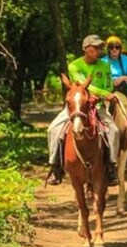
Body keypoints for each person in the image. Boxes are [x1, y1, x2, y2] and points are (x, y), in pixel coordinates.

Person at [46, 34, 120, 186]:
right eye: (96, 47)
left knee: (114, 130)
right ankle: (55, 167)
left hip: (97, 106)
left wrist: (102, 96)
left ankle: (112, 166)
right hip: (77, 106)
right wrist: (105, 94)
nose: (99, 50)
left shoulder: (104, 65)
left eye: (100, 47)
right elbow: (85, 85)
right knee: (53, 129)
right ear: (86, 49)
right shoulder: (75, 66)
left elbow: (108, 84)